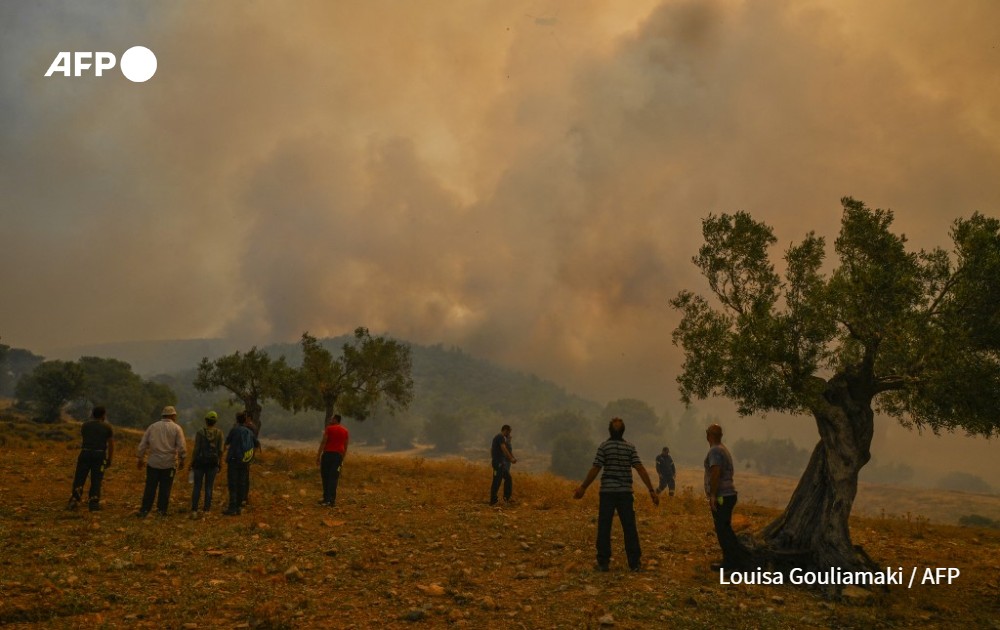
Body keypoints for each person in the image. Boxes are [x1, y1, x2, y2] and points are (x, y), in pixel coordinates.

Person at [574, 417, 659, 572]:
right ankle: (634, 563)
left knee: (604, 527)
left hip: (607, 492)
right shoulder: (630, 448)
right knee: (629, 527)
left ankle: (603, 562)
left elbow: (595, 468)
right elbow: (640, 468)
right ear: (623, 431)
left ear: (609, 431)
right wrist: (651, 490)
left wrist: (583, 487)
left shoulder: (604, 447)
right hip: (625, 493)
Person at [704, 423, 751, 571]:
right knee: (725, 529)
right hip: (728, 495)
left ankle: (732, 564)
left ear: (708, 436)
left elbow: (715, 472)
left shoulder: (715, 451)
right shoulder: (722, 449)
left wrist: (713, 495)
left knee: (723, 531)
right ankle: (734, 561)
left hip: (722, 496)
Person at [136, 405, 187, 517]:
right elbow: (182, 446)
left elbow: (143, 444)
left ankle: (145, 510)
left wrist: (140, 458)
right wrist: (182, 459)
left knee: (150, 487)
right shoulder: (177, 428)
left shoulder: (152, 427)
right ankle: (161, 511)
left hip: (153, 462)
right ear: (173, 415)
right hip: (169, 463)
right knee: (165, 488)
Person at [68, 405, 114, 512]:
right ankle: (93, 502)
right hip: (99, 455)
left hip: (85, 452)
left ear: (93, 414)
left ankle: (75, 499)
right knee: (96, 479)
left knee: (80, 476)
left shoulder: (85, 425)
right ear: (103, 415)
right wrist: (109, 459)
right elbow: (111, 444)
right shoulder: (107, 427)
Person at [190, 410, 224, 517]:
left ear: (206, 420)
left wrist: (192, 462)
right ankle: (206, 510)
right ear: (215, 421)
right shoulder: (219, 433)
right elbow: (220, 450)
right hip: (212, 463)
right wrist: (220, 463)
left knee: (197, 486)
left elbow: (196, 449)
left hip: (200, 463)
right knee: (209, 487)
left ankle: (194, 509)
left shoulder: (200, 432)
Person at [223, 411, 256, 516]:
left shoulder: (234, 430)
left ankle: (232, 508)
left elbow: (227, 442)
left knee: (233, 484)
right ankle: (238, 507)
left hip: (234, 460)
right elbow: (256, 443)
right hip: (245, 461)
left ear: (237, 419)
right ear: (245, 419)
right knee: (242, 483)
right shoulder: (249, 431)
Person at [316, 414, 349, 507]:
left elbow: (323, 442)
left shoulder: (329, 429)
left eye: (332, 418)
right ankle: (331, 500)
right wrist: (342, 458)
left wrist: (318, 456)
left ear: (336, 419)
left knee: (325, 477)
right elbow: (345, 446)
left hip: (327, 455)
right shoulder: (345, 431)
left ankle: (326, 499)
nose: (330, 420)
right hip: (338, 456)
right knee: (334, 478)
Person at [489, 424, 516, 506]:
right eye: (509, 432)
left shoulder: (498, 438)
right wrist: (511, 458)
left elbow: (492, 450)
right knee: (497, 481)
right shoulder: (500, 437)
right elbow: (504, 448)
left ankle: (505, 499)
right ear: (506, 430)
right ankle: (494, 500)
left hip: (499, 463)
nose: (509, 434)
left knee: (507, 479)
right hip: (499, 464)